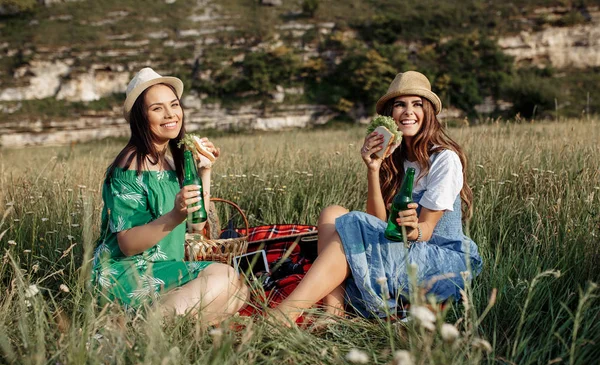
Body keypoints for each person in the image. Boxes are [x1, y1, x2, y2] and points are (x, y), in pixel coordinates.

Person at [273, 71, 483, 323]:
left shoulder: (443, 159)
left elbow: (426, 231)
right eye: (400, 105)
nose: (408, 111)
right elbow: (378, 223)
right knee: (333, 213)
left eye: (417, 104)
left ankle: (284, 315)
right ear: (390, 116)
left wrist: (412, 229)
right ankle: (333, 309)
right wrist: (373, 168)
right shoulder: (394, 158)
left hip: (443, 261)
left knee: (351, 224)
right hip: (405, 253)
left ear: (428, 113)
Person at [91, 67, 248, 324]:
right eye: (157, 109)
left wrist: (204, 170)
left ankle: (161, 324)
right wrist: (175, 215)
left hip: (163, 269)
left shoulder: (171, 163)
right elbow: (128, 244)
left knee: (240, 293)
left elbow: (197, 224)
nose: (170, 114)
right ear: (141, 118)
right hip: (126, 272)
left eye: (174, 105)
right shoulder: (130, 166)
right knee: (226, 279)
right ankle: (141, 329)